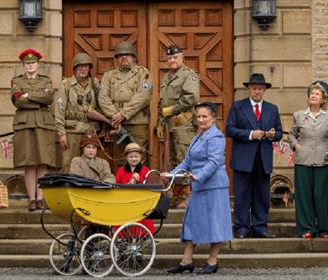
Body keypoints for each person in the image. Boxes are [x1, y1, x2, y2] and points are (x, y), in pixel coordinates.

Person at [167, 102, 232, 274]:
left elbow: (214, 161)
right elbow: (187, 162)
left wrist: (198, 175)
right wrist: (171, 174)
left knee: (215, 224)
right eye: (198, 116)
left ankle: (212, 261)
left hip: (214, 186)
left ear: (213, 118)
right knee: (191, 222)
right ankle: (186, 261)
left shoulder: (216, 137)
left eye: (204, 116)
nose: (201, 120)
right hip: (199, 187)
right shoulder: (198, 136)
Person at [225, 73, 282, 239]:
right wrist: (251, 134)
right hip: (243, 158)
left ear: (264, 90)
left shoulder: (273, 108)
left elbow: (279, 132)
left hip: (263, 158)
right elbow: (230, 129)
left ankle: (260, 227)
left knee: (262, 194)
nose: (257, 91)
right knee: (242, 194)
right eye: (254, 88)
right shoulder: (238, 106)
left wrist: (272, 134)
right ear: (248, 89)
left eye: (260, 89)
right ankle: (242, 227)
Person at [288, 81, 328, 239]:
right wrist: (296, 145)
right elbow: (291, 134)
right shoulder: (299, 115)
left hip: (323, 160)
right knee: (304, 196)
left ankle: (323, 228)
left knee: (320, 194)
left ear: (324, 99)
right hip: (302, 160)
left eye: (317, 94)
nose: (313, 95)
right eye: (311, 93)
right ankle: (307, 229)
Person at [11, 48, 56, 211]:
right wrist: (38, 98)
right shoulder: (17, 81)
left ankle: (40, 197)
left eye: (33, 63)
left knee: (42, 161)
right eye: (27, 63)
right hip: (24, 124)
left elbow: (49, 98)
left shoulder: (46, 80)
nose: (30, 65)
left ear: (38, 64)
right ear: (23, 65)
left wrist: (28, 96)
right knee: (28, 162)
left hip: (43, 124)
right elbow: (17, 101)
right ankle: (31, 198)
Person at [157, 44, 199, 208]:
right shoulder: (167, 77)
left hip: (184, 125)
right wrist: (161, 122)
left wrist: (172, 110)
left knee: (184, 158)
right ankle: (177, 194)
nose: (172, 60)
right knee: (174, 160)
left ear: (182, 58)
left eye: (175, 57)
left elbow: (192, 98)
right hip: (171, 125)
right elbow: (163, 103)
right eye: (169, 58)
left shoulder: (188, 76)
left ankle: (187, 195)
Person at [98, 41, 152, 162]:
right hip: (116, 124)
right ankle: (122, 181)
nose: (124, 57)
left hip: (137, 123)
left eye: (127, 54)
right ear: (117, 58)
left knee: (139, 157)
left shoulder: (143, 74)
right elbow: (103, 98)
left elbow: (143, 97)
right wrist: (114, 116)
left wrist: (123, 114)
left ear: (133, 57)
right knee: (121, 158)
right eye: (120, 55)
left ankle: (139, 181)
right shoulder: (109, 75)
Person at [55, 53, 101, 173]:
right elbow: (59, 110)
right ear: (75, 68)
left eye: (86, 66)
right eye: (80, 66)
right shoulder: (66, 85)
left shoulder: (95, 84)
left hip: (90, 130)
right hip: (72, 132)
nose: (83, 69)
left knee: (90, 165)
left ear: (89, 68)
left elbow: (102, 105)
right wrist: (61, 133)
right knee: (69, 165)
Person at [115, 142, 154, 234]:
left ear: (140, 157)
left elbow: (149, 185)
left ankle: (143, 236)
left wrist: (140, 180)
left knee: (143, 218)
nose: (133, 159)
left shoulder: (145, 170)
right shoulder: (121, 171)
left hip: (141, 200)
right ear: (126, 158)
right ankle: (121, 237)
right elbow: (117, 185)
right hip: (125, 200)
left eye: (136, 156)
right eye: (131, 157)